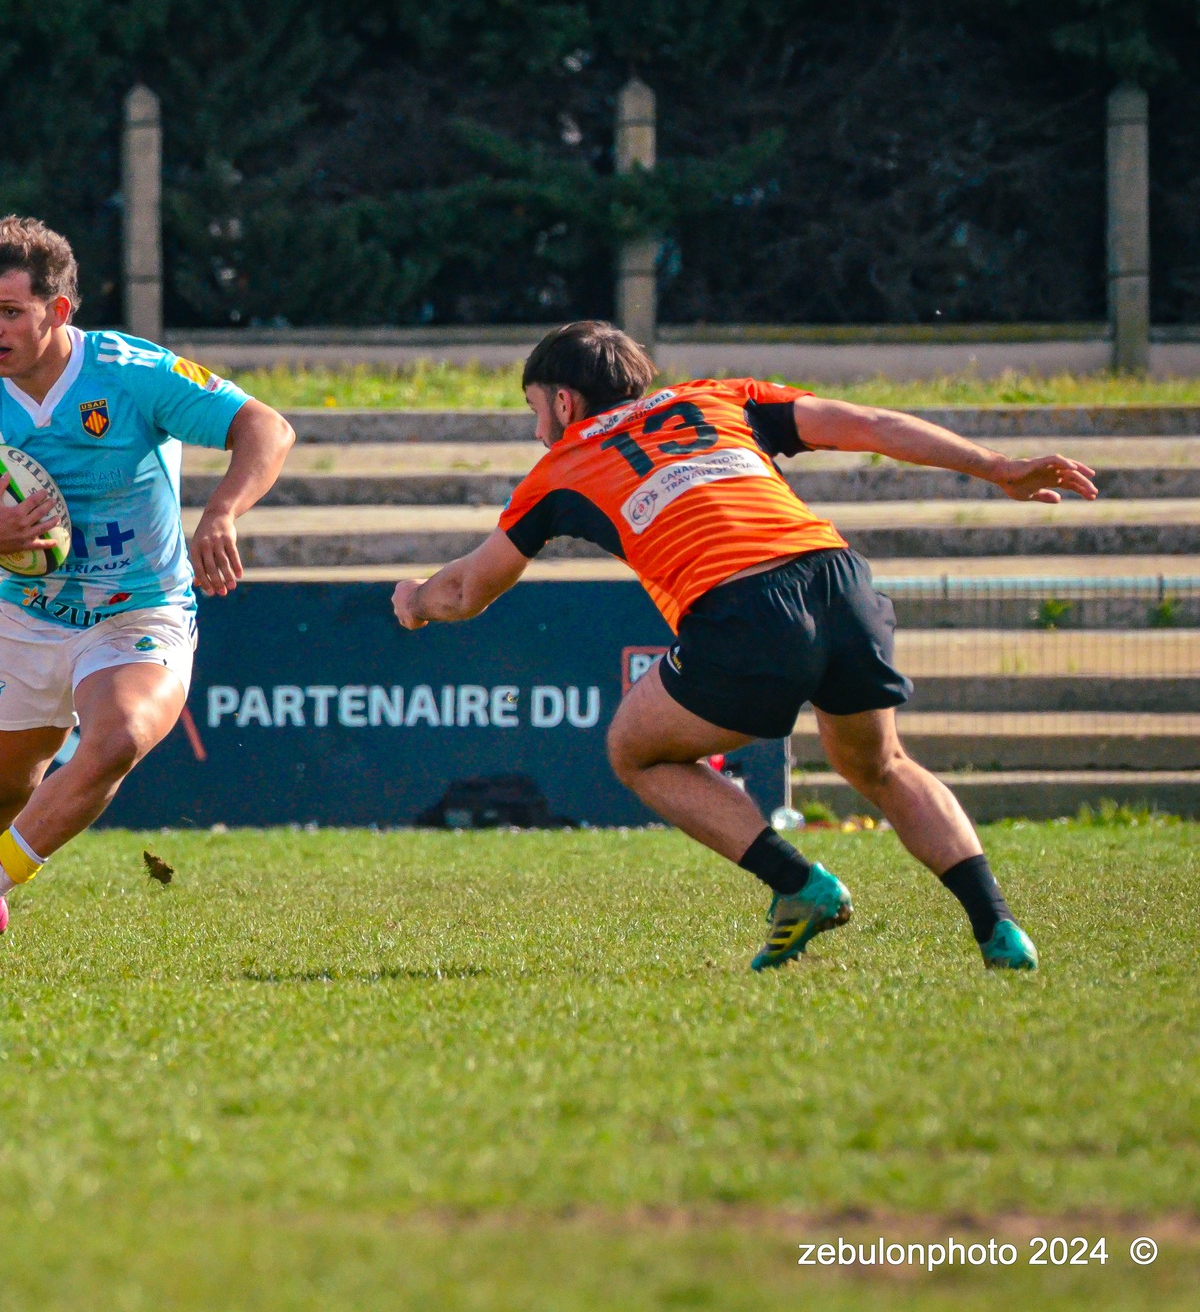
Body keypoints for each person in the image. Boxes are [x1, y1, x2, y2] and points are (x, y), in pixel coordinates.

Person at [391, 321, 1097, 971]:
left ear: (566, 403)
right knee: (881, 765)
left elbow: (465, 593)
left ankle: (799, 885)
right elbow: (870, 424)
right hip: (838, 578)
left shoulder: (563, 466)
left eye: (535, 409)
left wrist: (416, 600)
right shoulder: (720, 398)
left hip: (742, 608)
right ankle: (999, 927)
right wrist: (998, 466)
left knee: (635, 750)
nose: (537, 429)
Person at [0, 216, 295, 964]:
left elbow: (266, 428)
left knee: (114, 740)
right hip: (29, 616)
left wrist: (222, 512)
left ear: (60, 310)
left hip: (140, 611)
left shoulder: (129, 371)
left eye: (11, 311)